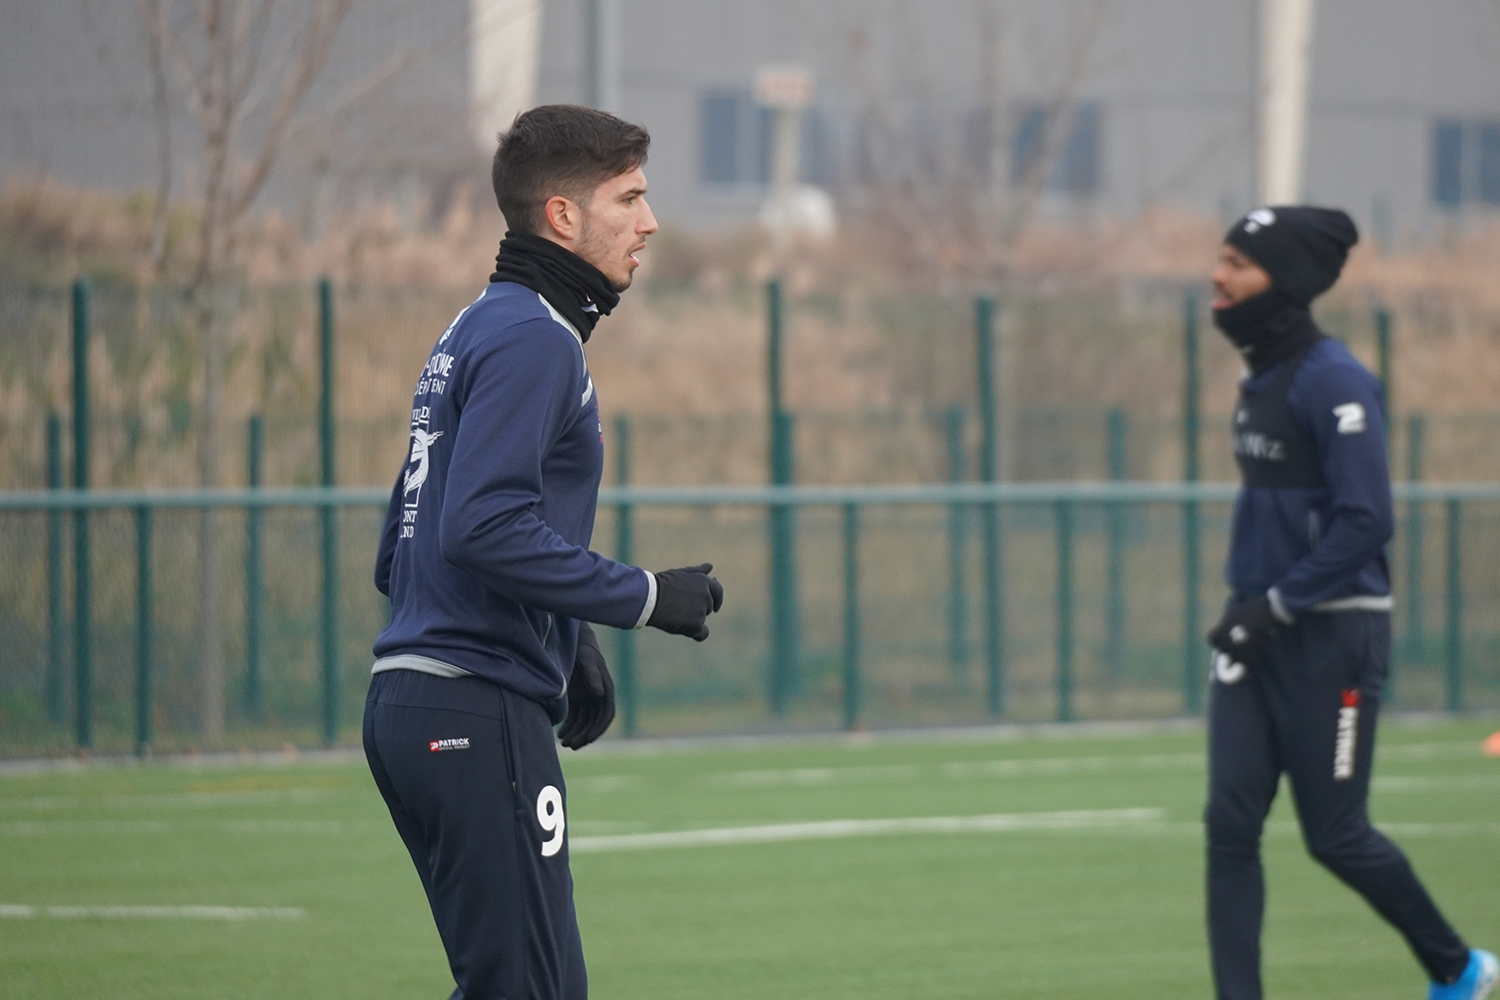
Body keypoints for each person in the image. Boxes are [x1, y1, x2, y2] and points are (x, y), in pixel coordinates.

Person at [363, 104, 724, 1000]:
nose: (649, 222)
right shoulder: (534, 339)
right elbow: (479, 527)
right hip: (471, 710)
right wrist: (644, 596)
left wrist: (568, 634)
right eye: (629, 198)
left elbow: (400, 547)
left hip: (419, 703)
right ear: (563, 216)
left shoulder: (479, 325)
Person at [1203, 205, 1496, 1000]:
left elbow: (1369, 518)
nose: (1217, 276)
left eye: (1238, 263)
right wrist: (1247, 606)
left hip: (1332, 636)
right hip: (1255, 632)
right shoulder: (1256, 377)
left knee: (1335, 836)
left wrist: (1282, 604)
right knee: (1229, 829)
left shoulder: (1333, 379)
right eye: (1220, 258)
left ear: (1287, 283)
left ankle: (1458, 968)